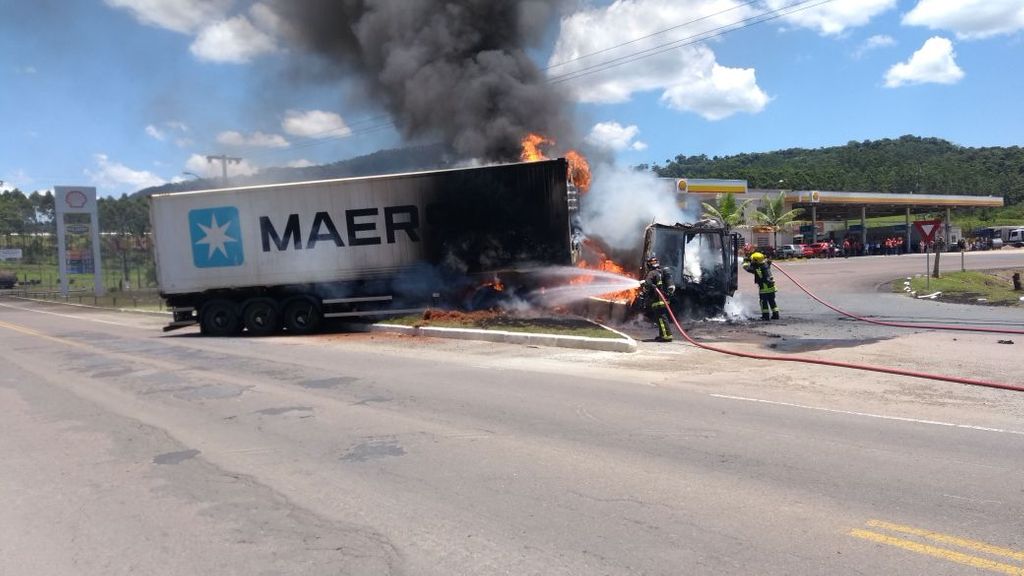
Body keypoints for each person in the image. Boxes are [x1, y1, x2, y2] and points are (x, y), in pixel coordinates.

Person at [638, 255, 675, 342]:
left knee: (661, 319)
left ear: (649, 264)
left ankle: (666, 336)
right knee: (661, 318)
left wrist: (643, 284)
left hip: (657, 300)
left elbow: (647, 285)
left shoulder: (652, 273)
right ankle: (663, 334)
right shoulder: (661, 272)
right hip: (663, 299)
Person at [742, 251, 779, 320]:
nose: (752, 261)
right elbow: (767, 262)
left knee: (763, 302)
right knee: (772, 301)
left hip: (764, 288)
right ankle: (776, 315)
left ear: (756, 261)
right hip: (772, 286)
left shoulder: (757, 268)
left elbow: (747, 268)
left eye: (753, 260)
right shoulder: (765, 265)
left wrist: (745, 261)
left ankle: (765, 316)